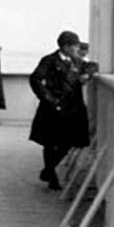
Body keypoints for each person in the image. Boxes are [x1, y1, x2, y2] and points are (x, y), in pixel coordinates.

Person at [28, 30, 90, 190]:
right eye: (75, 46)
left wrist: (88, 75)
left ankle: (48, 170)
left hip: (73, 108)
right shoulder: (49, 61)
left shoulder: (76, 61)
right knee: (50, 142)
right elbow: (35, 79)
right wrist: (49, 99)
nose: (78, 49)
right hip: (54, 108)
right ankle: (52, 177)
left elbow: (92, 66)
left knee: (70, 142)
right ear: (66, 46)